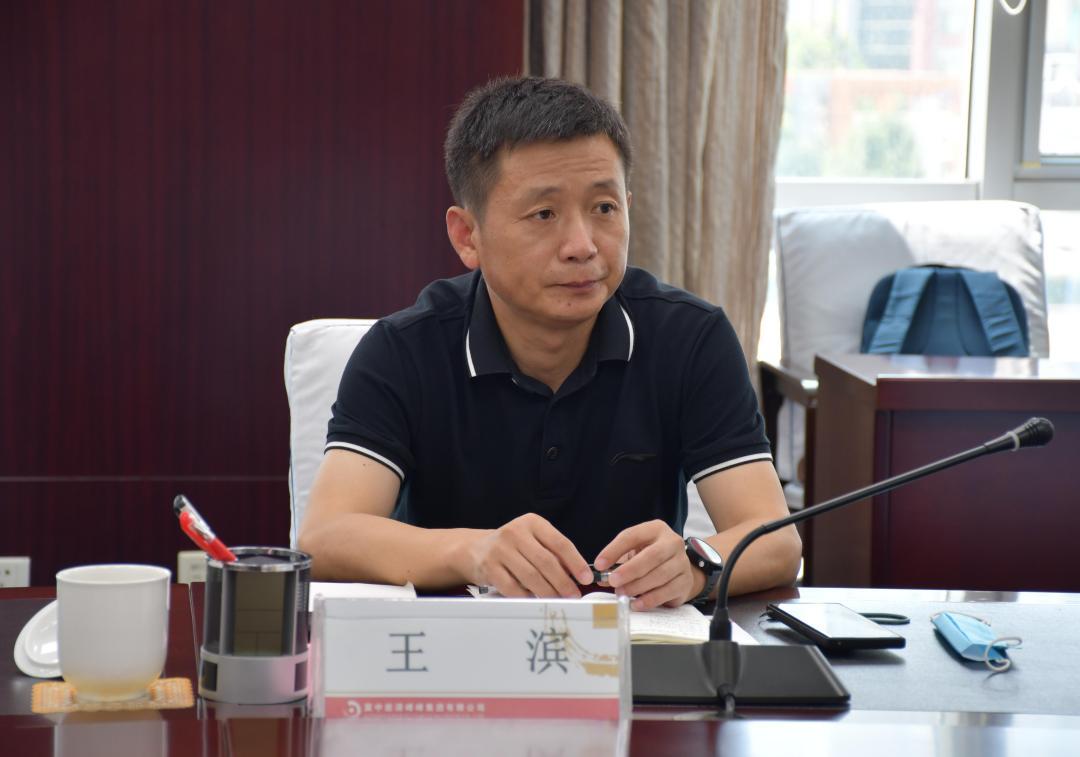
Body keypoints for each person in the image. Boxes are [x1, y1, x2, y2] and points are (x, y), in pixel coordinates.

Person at [298, 76, 800, 610]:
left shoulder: (691, 338)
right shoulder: (403, 351)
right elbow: (325, 537)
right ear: (468, 236)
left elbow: (776, 541)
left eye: (604, 208)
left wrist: (696, 565)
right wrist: (475, 552)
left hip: (634, 646)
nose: (582, 246)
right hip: (452, 648)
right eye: (544, 214)